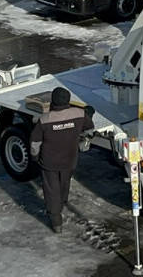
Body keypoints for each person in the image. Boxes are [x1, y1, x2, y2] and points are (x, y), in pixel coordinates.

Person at [30, 86, 94, 233]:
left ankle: (56, 221)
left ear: (53, 101)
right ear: (68, 100)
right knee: (64, 183)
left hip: (49, 162)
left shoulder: (45, 120)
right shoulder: (79, 114)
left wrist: (35, 157)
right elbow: (89, 129)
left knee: (52, 190)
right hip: (70, 159)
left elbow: (35, 143)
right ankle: (62, 202)